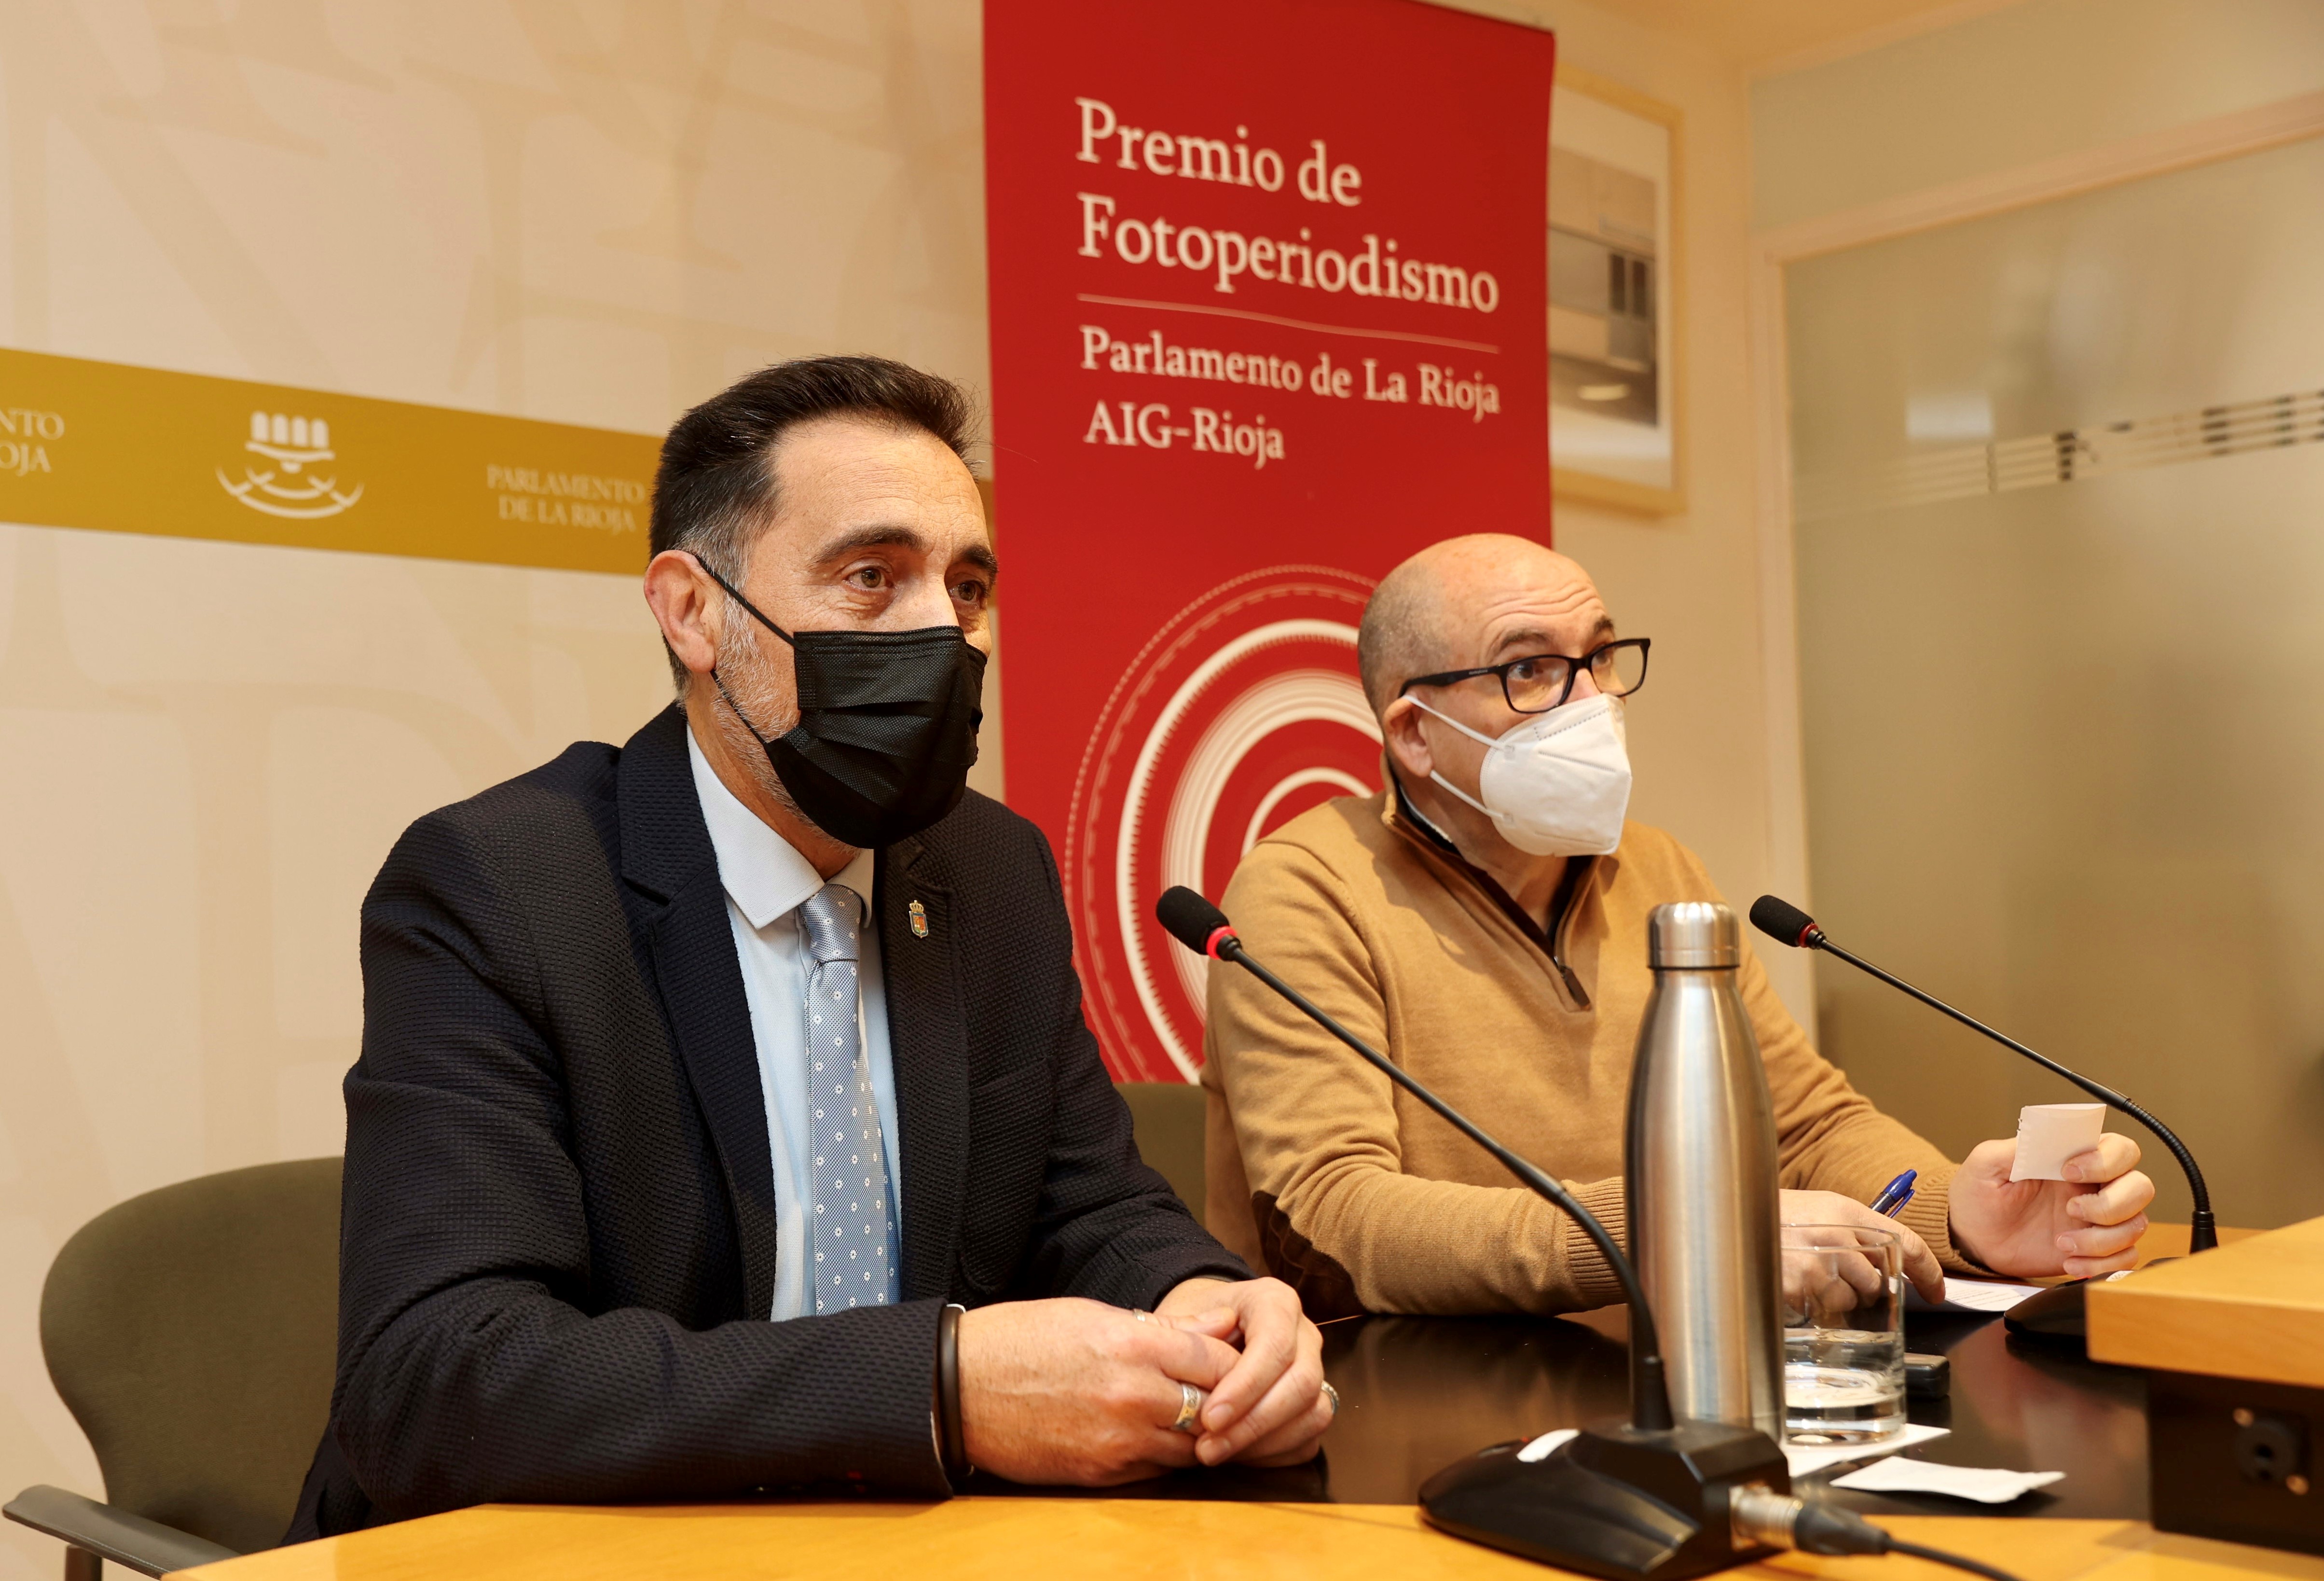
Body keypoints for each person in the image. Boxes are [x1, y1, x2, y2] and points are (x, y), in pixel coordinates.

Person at [290, 357, 1329, 1539]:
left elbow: (1087, 1204)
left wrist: (1212, 1303)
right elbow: (436, 1378)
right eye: (872, 579)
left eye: (970, 586)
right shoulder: (502, 886)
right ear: (694, 613)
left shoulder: (994, 871)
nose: (943, 628)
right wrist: (934, 1386)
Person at [1200, 533, 2154, 1318]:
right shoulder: (1303, 890)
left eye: (1602, 656)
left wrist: (1964, 1211)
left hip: (1668, 1364)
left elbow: (1800, 1128)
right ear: (1413, 735)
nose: (1594, 702)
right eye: (1533, 669)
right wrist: (1671, 1232)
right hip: (1405, 1395)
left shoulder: (1658, 872)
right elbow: (1336, 1219)